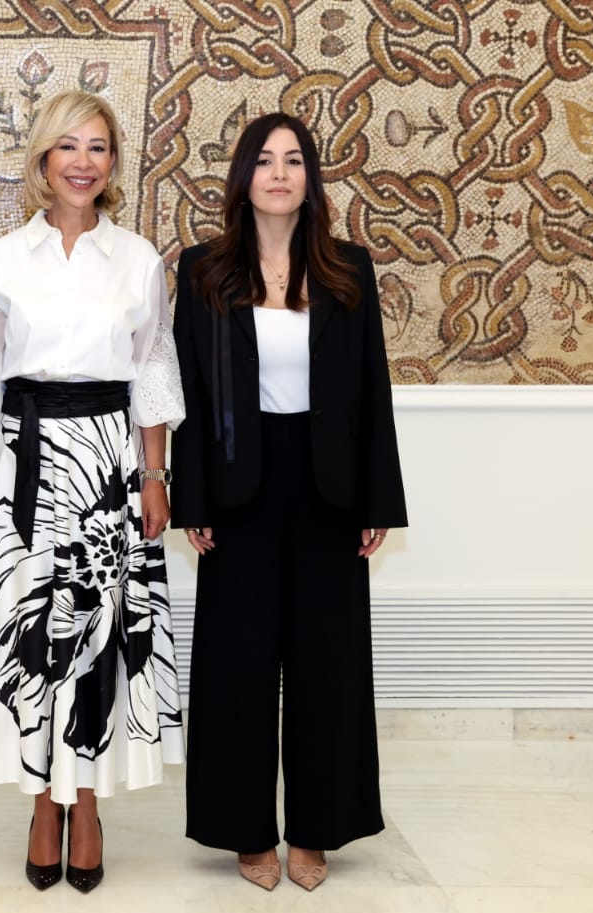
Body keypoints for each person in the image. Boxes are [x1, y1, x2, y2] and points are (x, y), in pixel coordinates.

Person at [169, 112, 408, 892]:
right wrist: (192, 497)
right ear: (244, 178)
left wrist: (377, 497)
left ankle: (316, 827)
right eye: (265, 160)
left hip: (329, 483)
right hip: (237, 485)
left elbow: (371, 386)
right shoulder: (204, 270)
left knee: (327, 663)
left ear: (311, 178)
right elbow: (187, 394)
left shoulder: (348, 268)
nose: (279, 173)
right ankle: (245, 830)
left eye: (294, 160)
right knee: (236, 663)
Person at [0, 90, 186, 894]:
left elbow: (153, 372)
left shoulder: (139, 259)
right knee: (31, 635)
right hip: (21, 462)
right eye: (68, 146)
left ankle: (84, 803)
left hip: (109, 463)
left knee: (98, 630)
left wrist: (155, 476)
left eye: (97, 147)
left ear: (113, 162)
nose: (82, 162)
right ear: (43, 160)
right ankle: (39, 803)